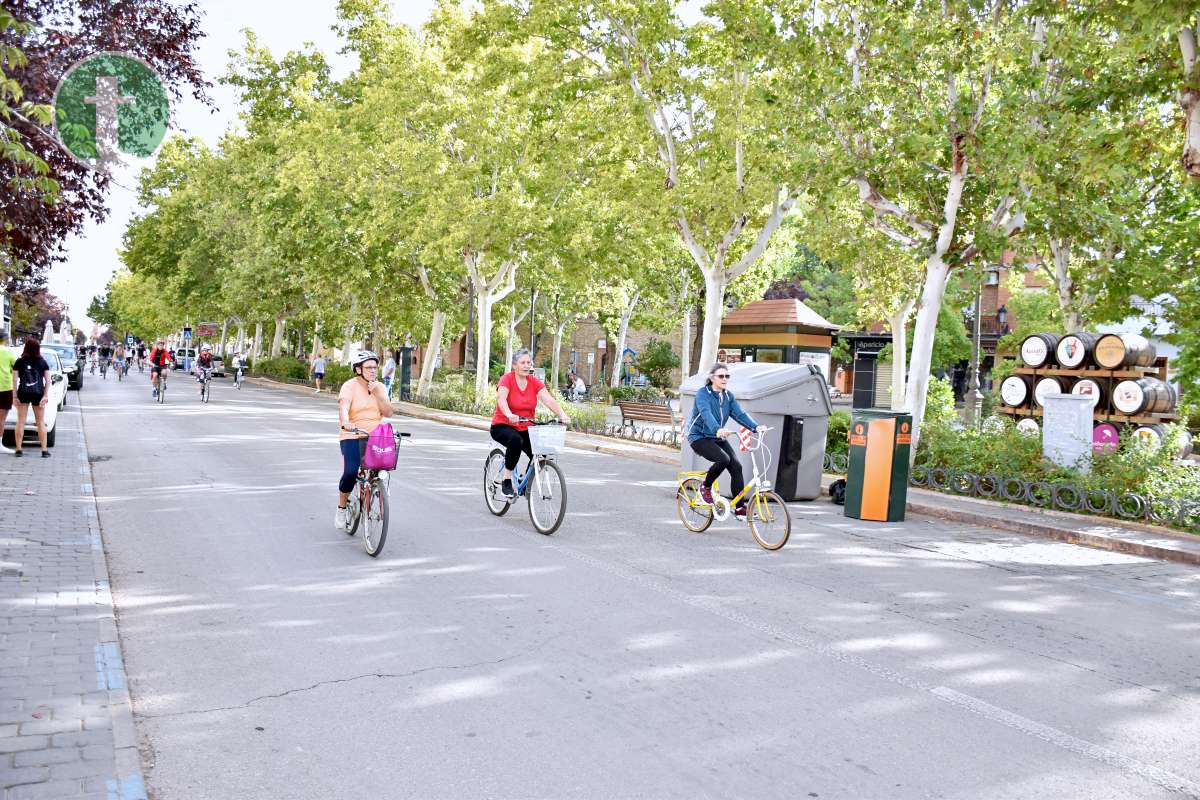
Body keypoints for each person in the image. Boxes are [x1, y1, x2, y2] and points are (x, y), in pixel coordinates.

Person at [685, 363, 765, 517]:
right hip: (699, 436)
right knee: (723, 459)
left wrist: (755, 427)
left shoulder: (728, 396)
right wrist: (718, 429)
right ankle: (705, 488)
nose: (724, 379)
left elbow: (740, 414)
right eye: (721, 376)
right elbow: (706, 413)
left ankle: (740, 508)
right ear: (712, 377)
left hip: (717, 436)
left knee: (737, 467)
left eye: (727, 376)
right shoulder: (703, 393)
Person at [490, 348, 571, 499]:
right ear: (515, 365)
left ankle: (524, 481)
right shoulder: (507, 379)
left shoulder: (534, 382)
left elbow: (548, 400)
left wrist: (562, 414)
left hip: (525, 426)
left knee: (542, 448)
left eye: (529, 362)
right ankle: (507, 480)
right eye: (522, 362)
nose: (526, 365)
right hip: (503, 425)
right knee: (515, 441)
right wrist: (508, 414)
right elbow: (501, 399)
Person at [335, 350, 394, 530]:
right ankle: (342, 508)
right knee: (351, 471)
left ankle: (376, 489)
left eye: (375, 367)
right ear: (358, 369)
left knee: (381, 468)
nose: (373, 371)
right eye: (368, 367)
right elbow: (344, 408)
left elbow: (388, 412)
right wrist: (346, 422)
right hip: (352, 434)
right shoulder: (349, 386)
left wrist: (377, 393)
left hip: (375, 436)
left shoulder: (380, 387)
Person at [11, 337, 51, 458]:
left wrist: (14, 396)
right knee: (40, 422)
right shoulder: (43, 362)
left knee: (21, 421)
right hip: (38, 394)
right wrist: (45, 395)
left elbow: (14, 379)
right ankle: (44, 450)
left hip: (23, 392)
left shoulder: (19, 361)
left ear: (25, 347)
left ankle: (18, 449)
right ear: (38, 348)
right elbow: (48, 380)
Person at [0, 331, 16, 454]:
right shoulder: (8, 352)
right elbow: (15, 369)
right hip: (5, 387)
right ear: (4, 339)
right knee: (1, 418)